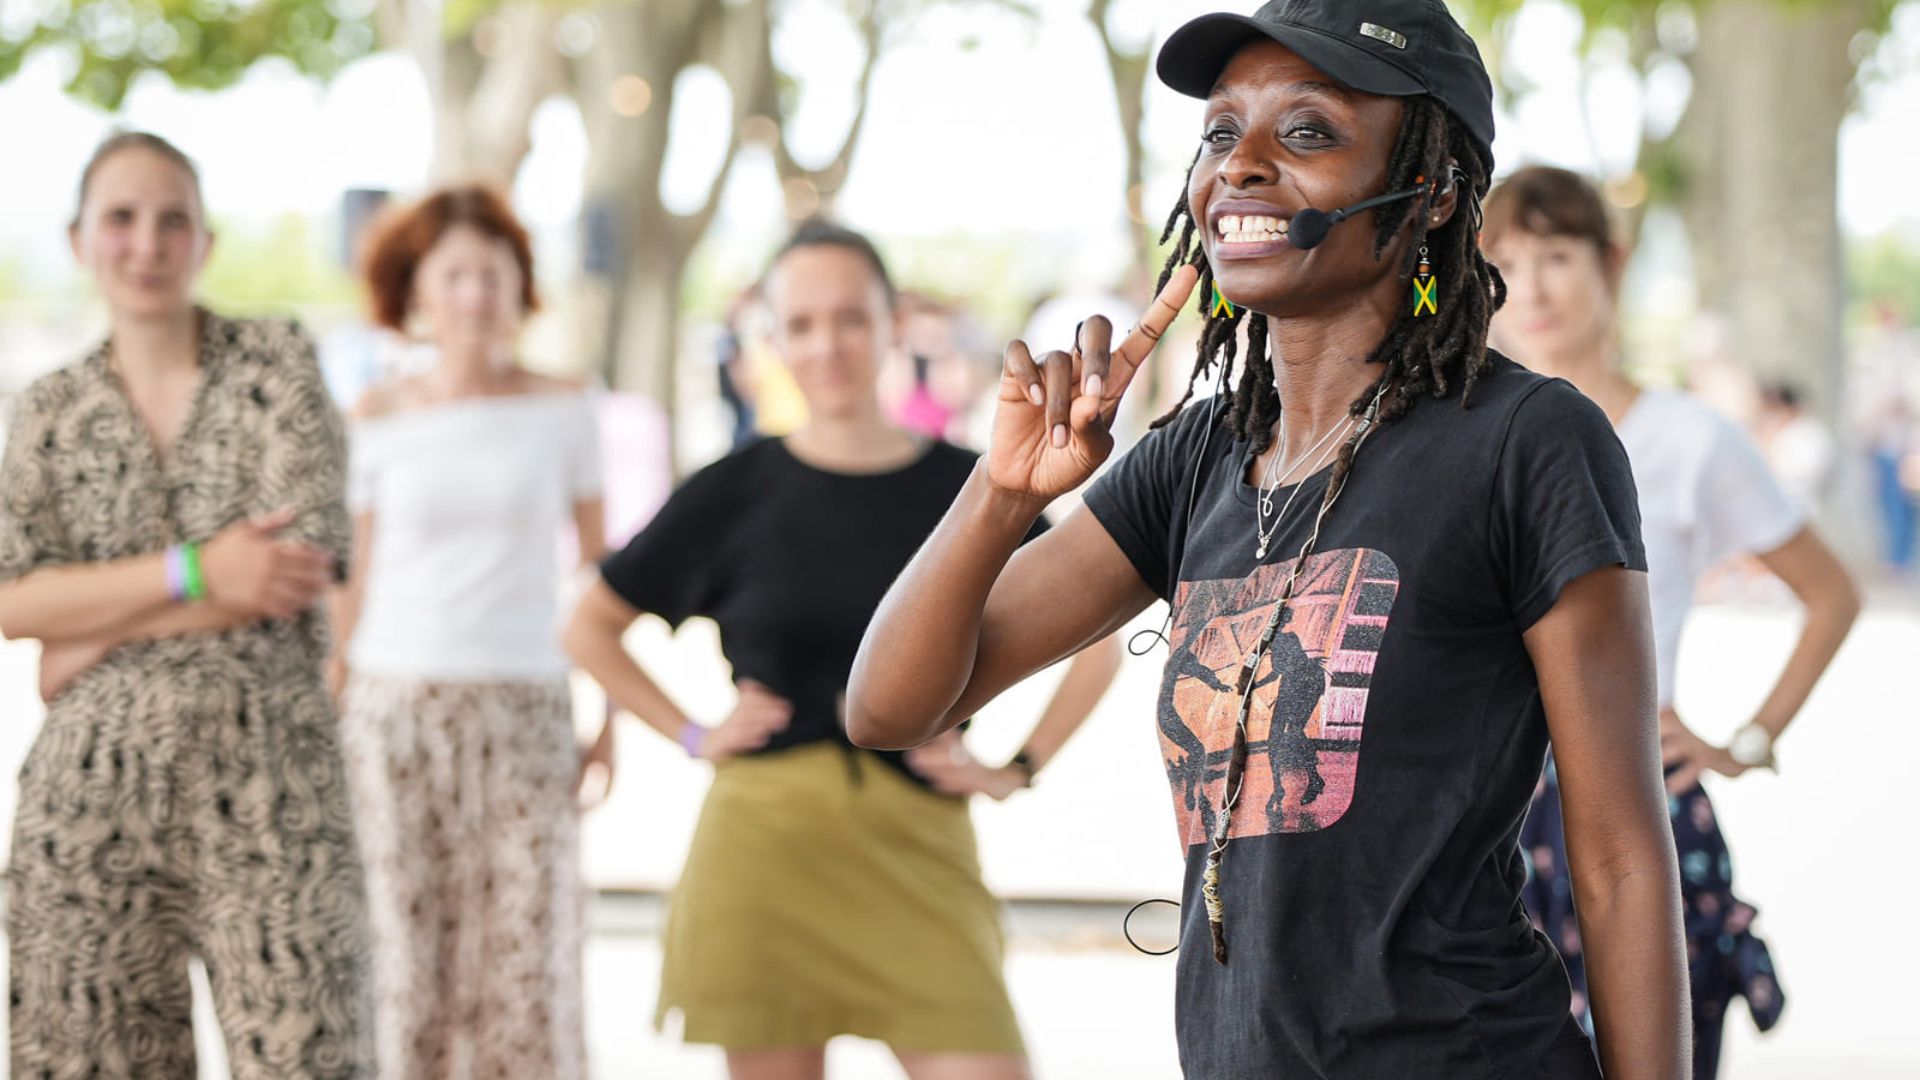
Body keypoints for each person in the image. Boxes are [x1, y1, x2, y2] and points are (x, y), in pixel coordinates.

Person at [844, 3, 1691, 1077]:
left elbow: (1618, 855)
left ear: (1429, 191)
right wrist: (1002, 493)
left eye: (1307, 132)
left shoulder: (1529, 442)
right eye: (1218, 132)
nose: (1238, 166)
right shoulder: (1194, 456)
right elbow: (890, 706)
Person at [563, 220, 1122, 1080]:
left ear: (891, 322)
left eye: (850, 318)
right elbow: (589, 625)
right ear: (774, 338)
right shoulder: (733, 490)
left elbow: (1098, 641)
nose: (828, 344)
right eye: (803, 323)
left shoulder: (977, 487)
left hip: (920, 844)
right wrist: (692, 733)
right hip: (765, 850)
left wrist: (1017, 768)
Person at [0, 131, 373, 1078]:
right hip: (87, 808)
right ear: (80, 238)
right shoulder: (49, 410)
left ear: (205, 241)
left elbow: (300, 561)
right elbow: (12, 601)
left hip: (274, 787)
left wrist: (87, 626)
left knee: (308, 1058)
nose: (147, 243)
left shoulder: (275, 363)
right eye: (120, 219)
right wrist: (201, 571)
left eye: (174, 220)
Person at [1483, 163, 1861, 1078]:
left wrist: (1746, 740)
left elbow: (1832, 594)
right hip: (1481, 831)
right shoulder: (1457, 435)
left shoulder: (1690, 440)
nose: (1530, 287)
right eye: (1505, 259)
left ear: (1612, 263)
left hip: (1635, 815)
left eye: (1558, 255)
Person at [327, 185, 610, 1079]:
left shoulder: (566, 407)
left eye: (494, 275)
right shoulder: (375, 417)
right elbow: (352, 580)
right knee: (403, 961)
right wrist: (327, 704)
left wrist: (610, 718)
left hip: (526, 705)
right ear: (417, 290)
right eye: (455, 275)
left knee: (529, 959)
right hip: (392, 710)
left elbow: (599, 580)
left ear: (519, 288)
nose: (476, 295)